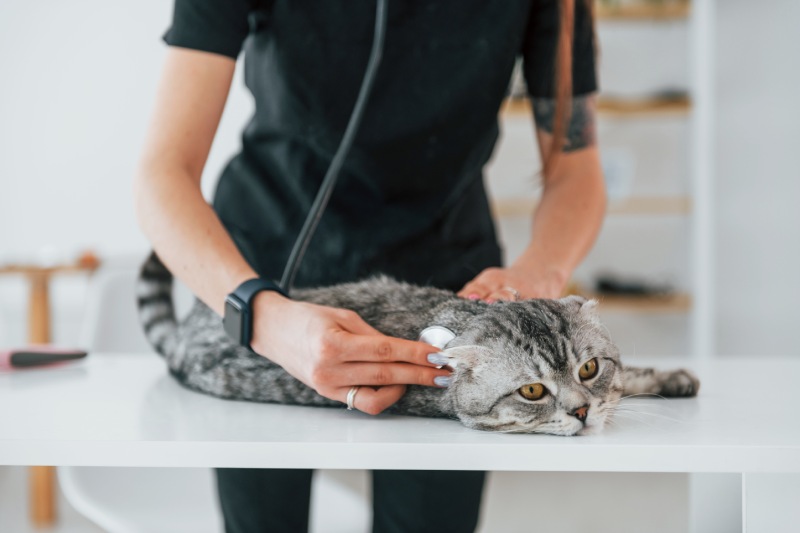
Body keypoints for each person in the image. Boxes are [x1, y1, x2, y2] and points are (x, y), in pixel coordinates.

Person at [134, 0, 606, 531]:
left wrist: (539, 273)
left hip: (455, 306)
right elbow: (163, 172)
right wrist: (261, 317)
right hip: (271, 289)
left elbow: (575, 169)